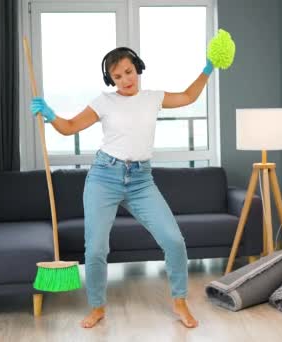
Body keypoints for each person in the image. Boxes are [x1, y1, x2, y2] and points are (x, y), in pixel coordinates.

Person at [30, 46, 220, 329]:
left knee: (174, 240)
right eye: (117, 76)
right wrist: (50, 113)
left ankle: (180, 301)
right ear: (111, 80)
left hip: (141, 181)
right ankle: (97, 307)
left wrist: (208, 69)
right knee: (95, 249)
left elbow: (189, 96)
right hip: (103, 178)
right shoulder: (104, 102)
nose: (125, 80)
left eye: (128, 72)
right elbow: (69, 127)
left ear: (138, 68)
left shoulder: (153, 98)